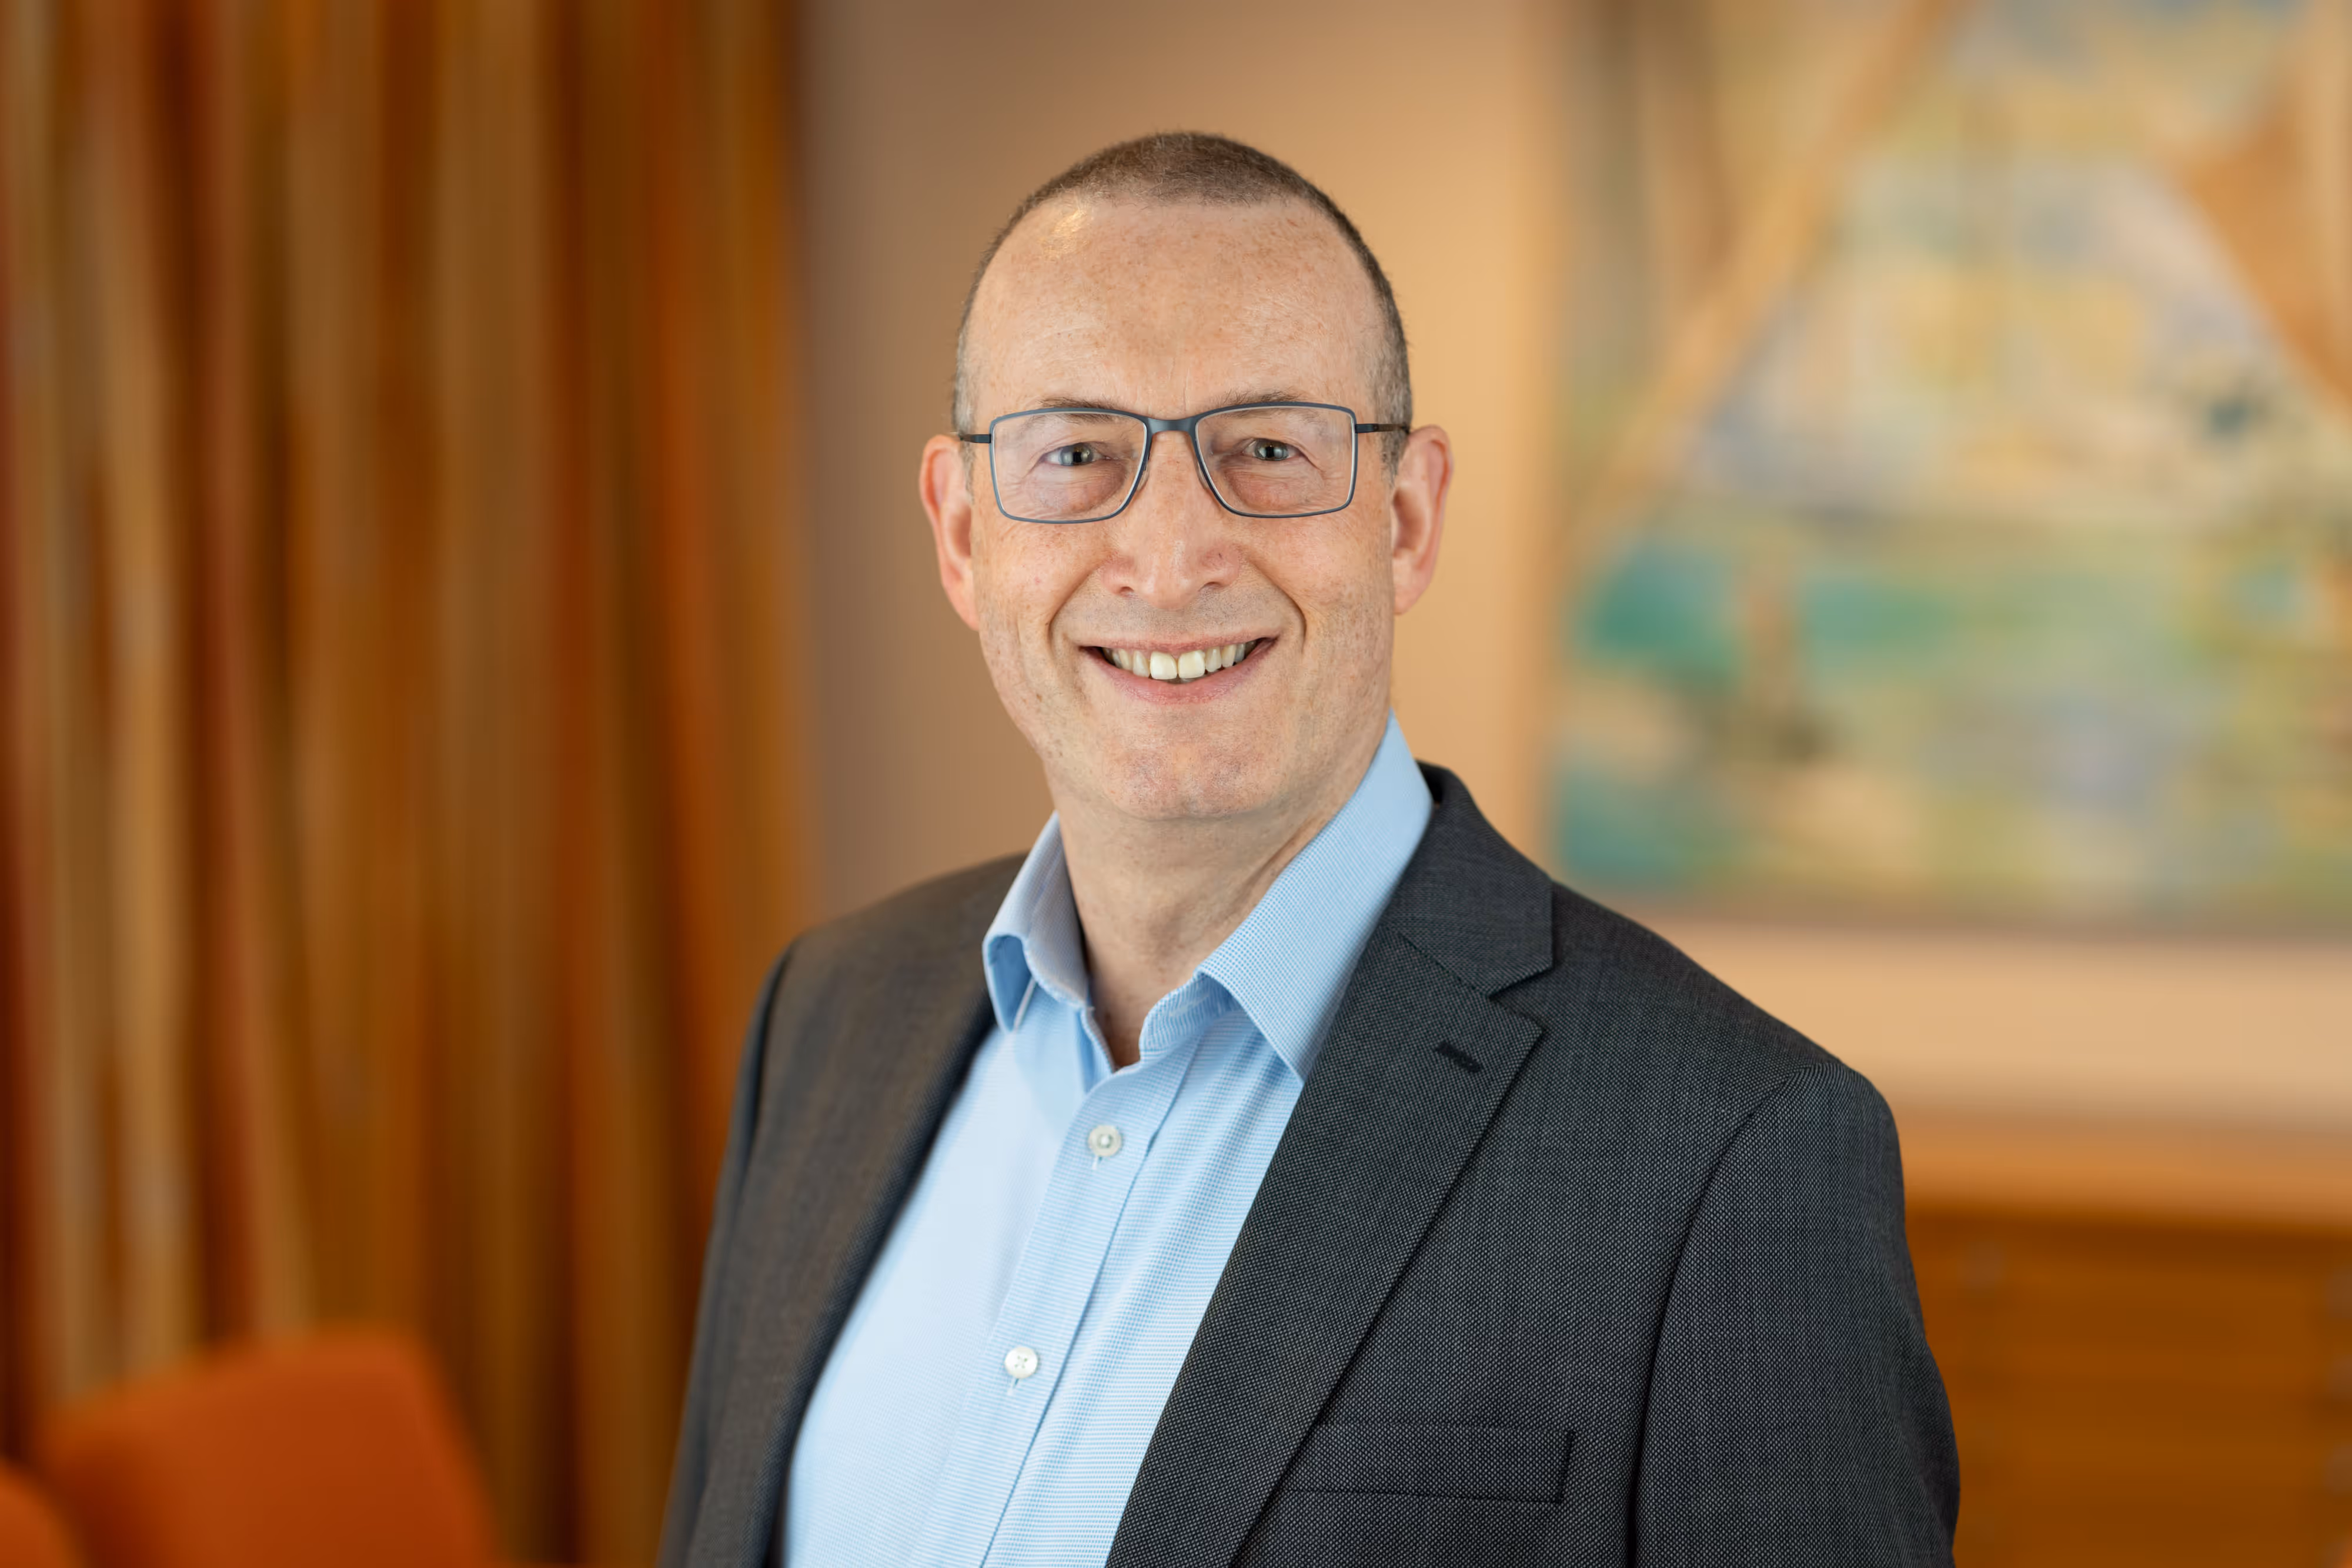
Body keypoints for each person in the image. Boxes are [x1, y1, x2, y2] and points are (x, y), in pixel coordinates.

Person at [658, 132, 1957, 1568]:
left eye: (1266, 450)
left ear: (1404, 521)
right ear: (963, 535)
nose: (1165, 558)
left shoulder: (1730, 1154)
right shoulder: (826, 1023)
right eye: (1076, 453)